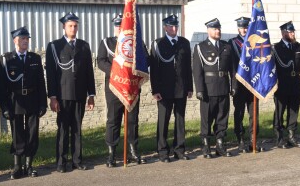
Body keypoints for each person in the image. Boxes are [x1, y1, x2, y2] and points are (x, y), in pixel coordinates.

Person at [46, 12, 95, 173]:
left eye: (75, 26)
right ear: (64, 27)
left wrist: (91, 95)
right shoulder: (54, 46)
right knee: (63, 129)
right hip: (62, 94)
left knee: (77, 128)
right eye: (70, 26)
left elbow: (89, 72)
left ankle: (77, 160)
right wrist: (52, 97)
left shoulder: (84, 45)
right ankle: (61, 161)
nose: (73, 28)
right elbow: (51, 74)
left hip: (79, 94)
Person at [0, 27, 47, 179]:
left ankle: (29, 165)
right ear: (15, 40)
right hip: (15, 101)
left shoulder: (34, 58)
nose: (25, 41)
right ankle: (17, 166)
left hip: (32, 99)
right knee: (17, 133)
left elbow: (40, 83)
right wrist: (4, 106)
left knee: (32, 134)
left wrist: (42, 104)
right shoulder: (6, 59)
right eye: (22, 39)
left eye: (27, 39)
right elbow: (2, 86)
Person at [97, 14, 146, 166]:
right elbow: (100, 61)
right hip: (114, 88)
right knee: (113, 120)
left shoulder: (136, 43)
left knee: (132, 120)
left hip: (131, 87)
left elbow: (146, 60)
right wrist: (116, 72)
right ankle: (111, 153)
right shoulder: (107, 42)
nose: (120, 28)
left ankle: (132, 150)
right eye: (118, 26)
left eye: (122, 25)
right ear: (115, 27)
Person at [149, 14, 193, 162]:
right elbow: (154, 69)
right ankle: (162, 151)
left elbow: (188, 67)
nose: (174, 29)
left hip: (181, 88)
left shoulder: (184, 43)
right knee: (163, 120)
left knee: (180, 119)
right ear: (165, 27)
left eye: (176, 26)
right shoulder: (158, 44)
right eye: (171, 26)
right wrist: (155, 90)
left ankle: (179, 149)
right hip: (164, 89)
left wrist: (189, 87)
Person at [193, 18, 233, 158]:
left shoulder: (226, 46)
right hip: (208, 89)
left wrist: (233, 86)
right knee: (207, 119)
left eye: (219, 29)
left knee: (222, 117)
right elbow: (197, 71)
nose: (218, 31)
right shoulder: (201, 47)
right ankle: (205, 146)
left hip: (223, 86)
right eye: (215, 29)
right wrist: (199, 89)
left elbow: (232, 69)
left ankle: (220, 145)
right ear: (208, 30)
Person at [228, 16, 263, 153]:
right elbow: (231, 66)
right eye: (242, 27)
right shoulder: (232, 43)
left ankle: (253, 140)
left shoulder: (255, 43)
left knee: (254, 114)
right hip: (239, 83)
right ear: (238, 28)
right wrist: (232, 85)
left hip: (253, 83)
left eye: (246, 27)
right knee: (239, 113)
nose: (244, 30)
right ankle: (240, 139)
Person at [272, 21, 300, 148]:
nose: (292, 34)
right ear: (283, 32)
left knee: (294, 110)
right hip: (282, 83)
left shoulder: (298, 47)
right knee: (280, 111)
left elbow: (299, 65)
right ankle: (279, 138)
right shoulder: (276, 48)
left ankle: (291, 136)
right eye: (290, 32)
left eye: (293, 31)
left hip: (295, 81)